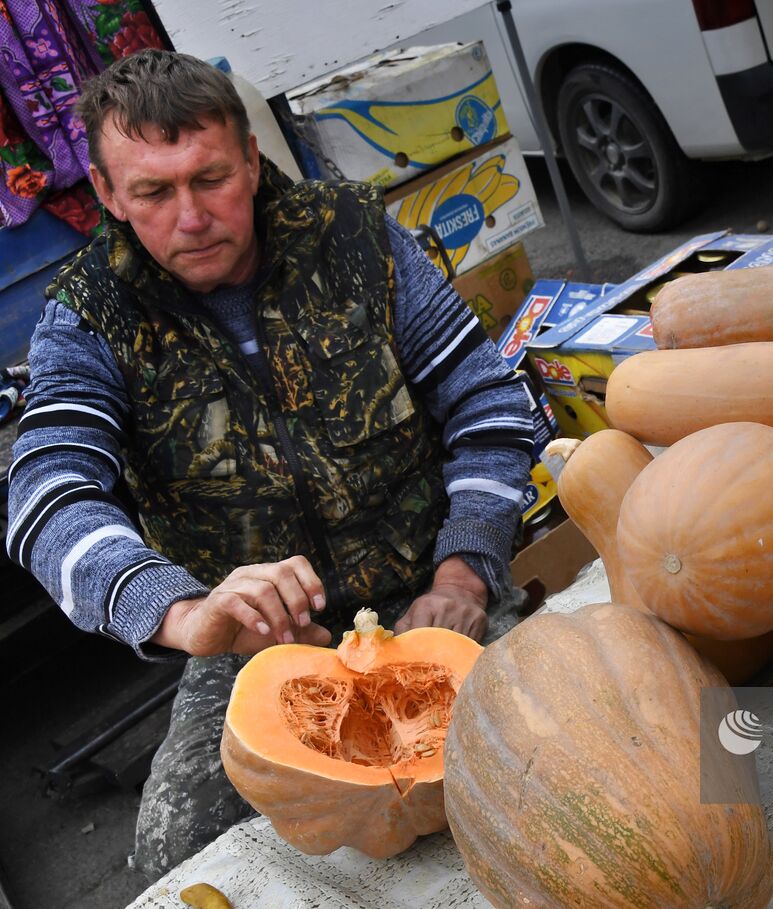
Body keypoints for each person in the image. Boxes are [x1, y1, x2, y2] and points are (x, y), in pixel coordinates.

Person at [6, 50, 534, 878]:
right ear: (108, 196)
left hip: (431, 587)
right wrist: (186, 616)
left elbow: (489, 402)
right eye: (152, 191)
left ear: (252, 160)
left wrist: (467, 571)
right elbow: (46, 499)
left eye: (211, 178)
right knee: (179, 859)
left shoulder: (355, 237)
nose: (191, 216)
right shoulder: (89, 318)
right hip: (251, 644)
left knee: (558, 765)